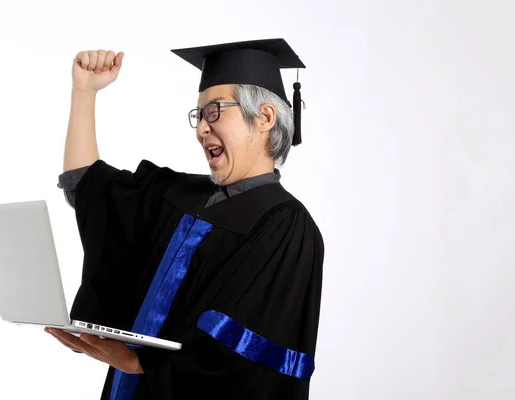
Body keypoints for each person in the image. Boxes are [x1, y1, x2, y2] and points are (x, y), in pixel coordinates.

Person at [46, 38, 324, 400]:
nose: (201, 129)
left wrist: (140, 363)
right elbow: (87, 189)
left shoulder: (287, 227)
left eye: (215, 111)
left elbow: (254, 352)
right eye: (199, 115)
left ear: (265, 118)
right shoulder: (176, 196)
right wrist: (84, 93)